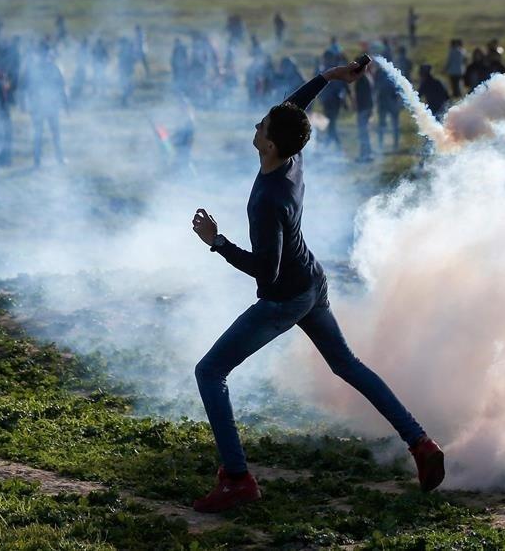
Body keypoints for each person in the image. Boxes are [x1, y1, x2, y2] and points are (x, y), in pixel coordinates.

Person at [189, 59, 445, 514]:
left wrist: (218, 243)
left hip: (285, 297)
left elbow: (267, 273)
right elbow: (293, 110)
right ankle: (420, 444)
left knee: (210, 373)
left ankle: (237, 478)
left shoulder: (269, 200)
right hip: (312, 282)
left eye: (261, 124)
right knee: (347, 364)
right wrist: (327, 77)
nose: (255, 123)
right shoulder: (291, 154)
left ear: (268, 143)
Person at [23, 47, 68, 166]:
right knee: (54, 134)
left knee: (39, 134)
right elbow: (61, 87)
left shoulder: (35, 69)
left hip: (41, 107)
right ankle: (58, 159)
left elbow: (28, 89)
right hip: (49, 106)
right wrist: (65, 105)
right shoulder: (53, 68)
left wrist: (30, 105)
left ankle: (38, 160)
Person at [375, 63, 401, 151]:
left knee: (384, 124)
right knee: (392, 124)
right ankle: (393, 144)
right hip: (389, 101)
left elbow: (376, 87)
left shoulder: (379, 73)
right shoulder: (392, 73)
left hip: (386, 101)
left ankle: (382, 144)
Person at [354, 65, 374, 162]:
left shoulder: (363, 79)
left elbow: (367, 96)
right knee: (364, 132)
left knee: (363, 133)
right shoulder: (365, 77)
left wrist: (369, 109)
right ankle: (365, 154)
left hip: (364, 109)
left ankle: (366, 155)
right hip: (364, 109)